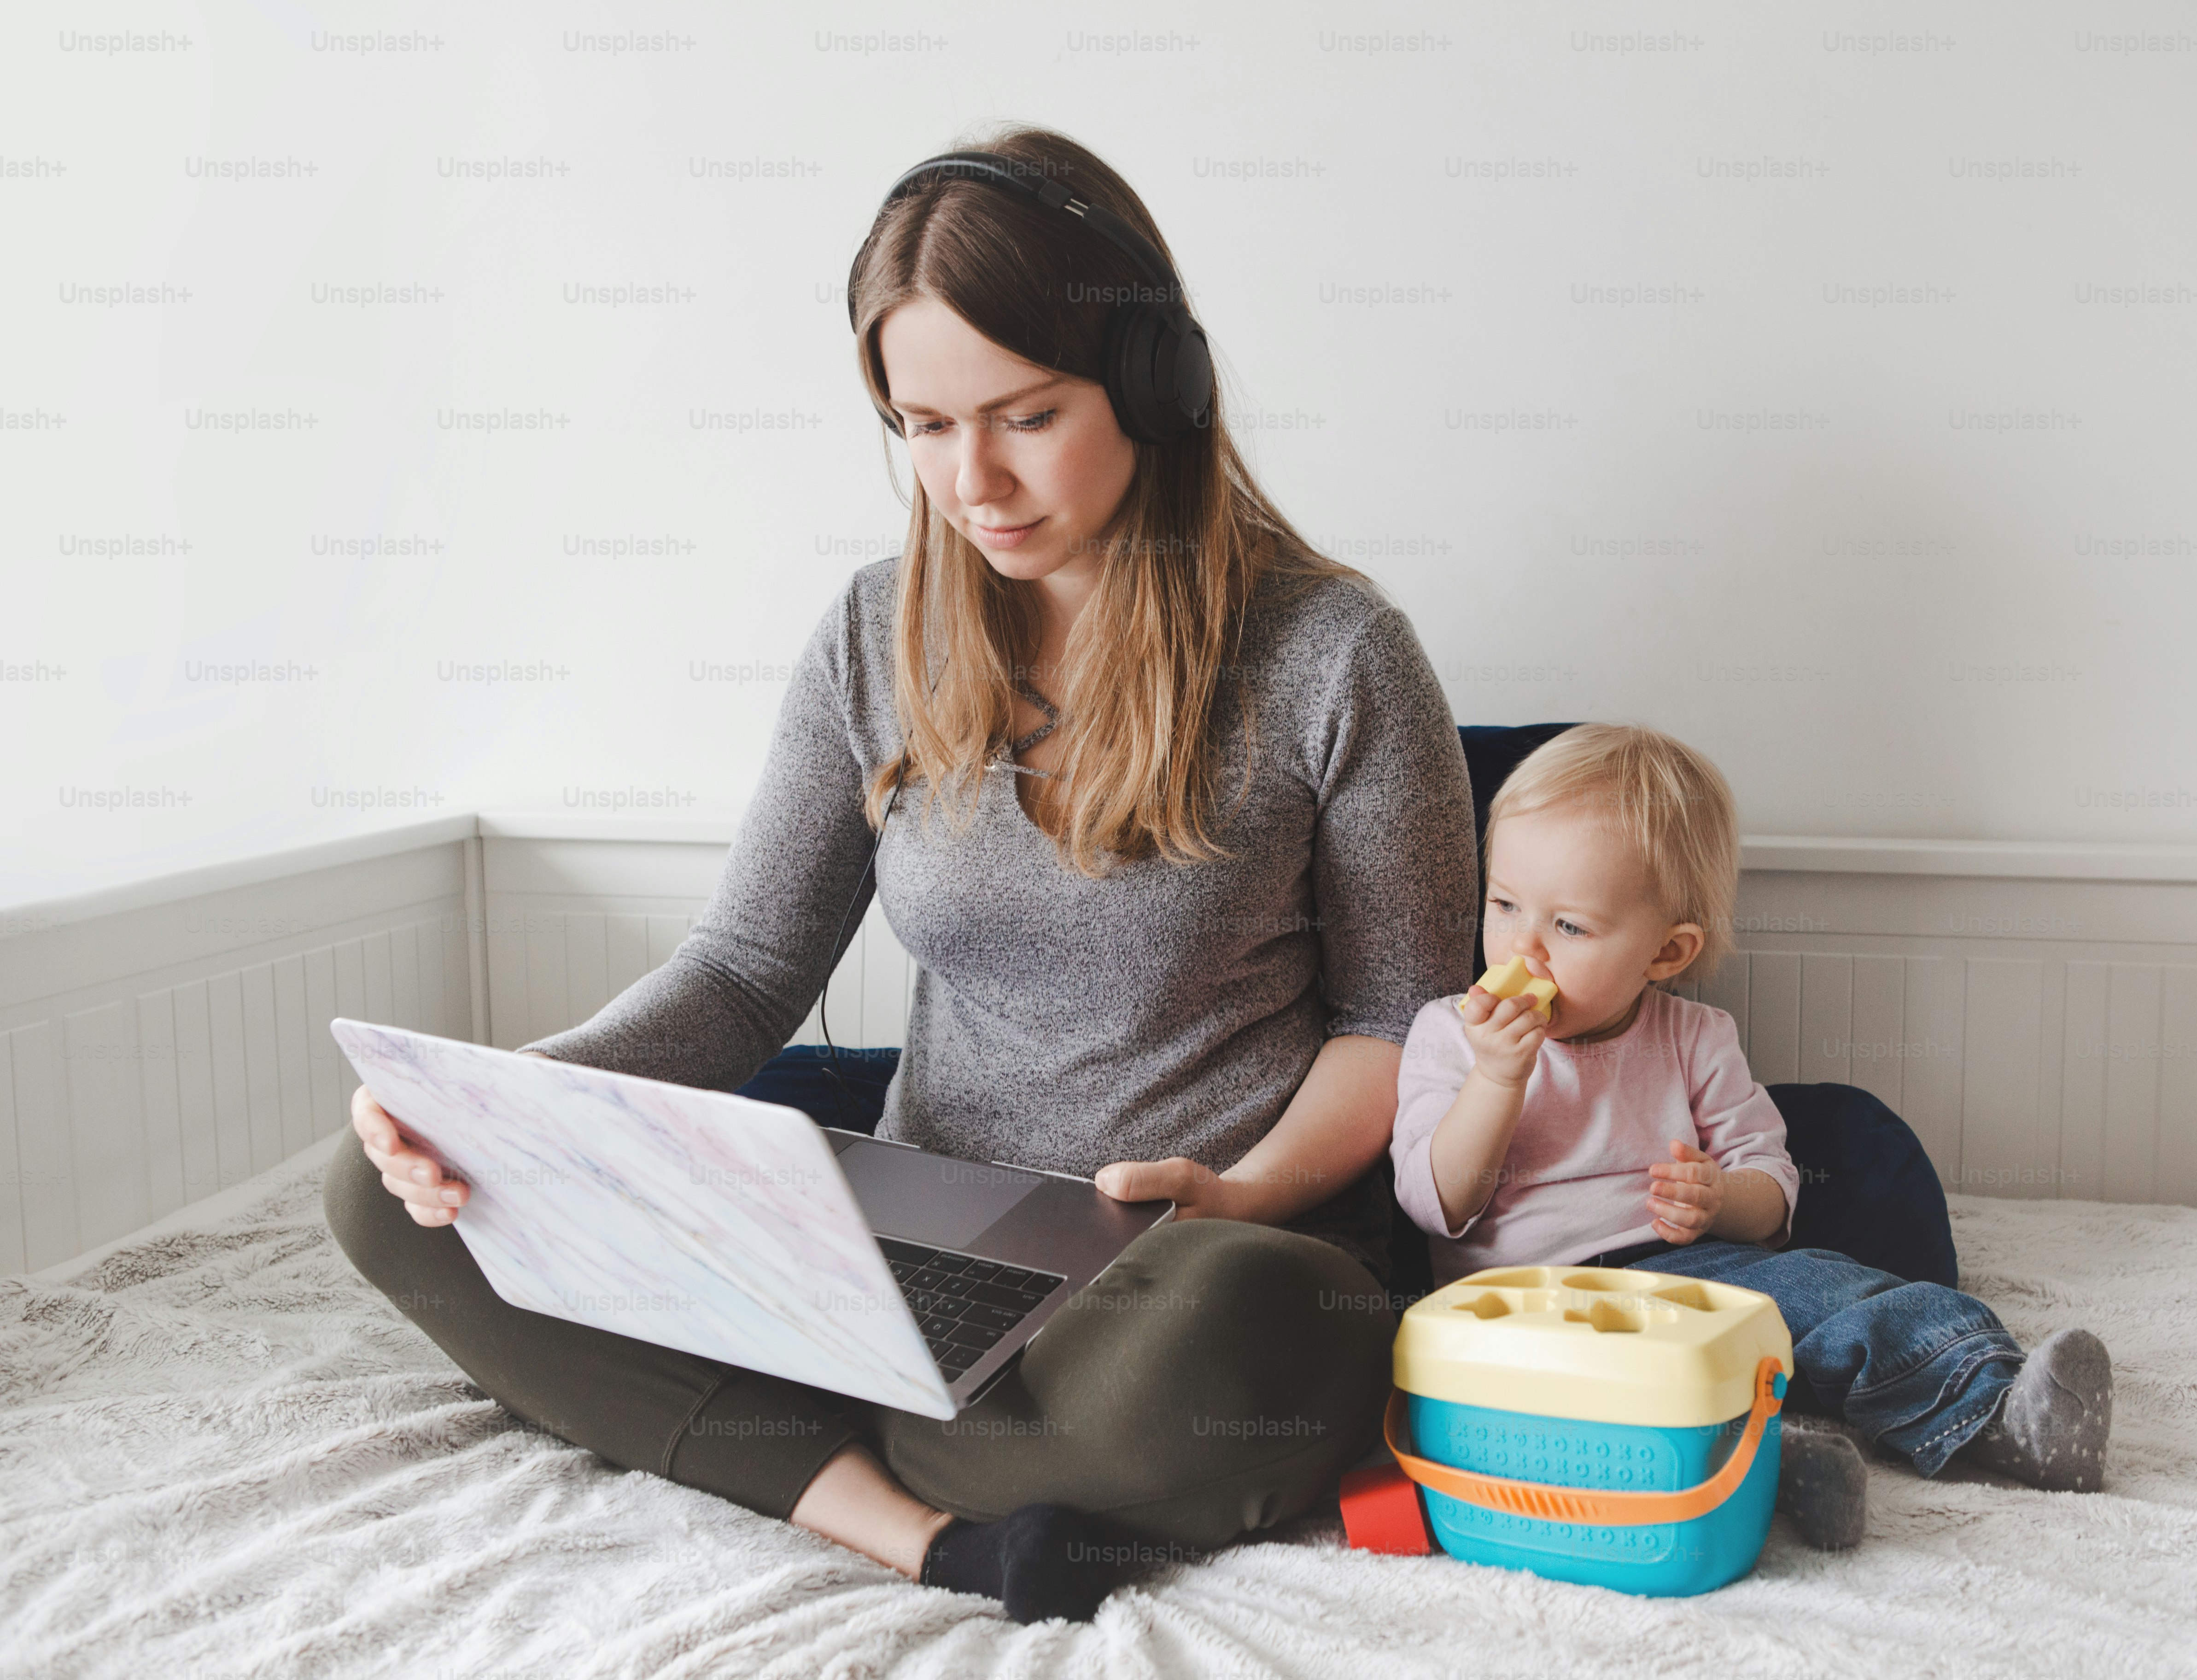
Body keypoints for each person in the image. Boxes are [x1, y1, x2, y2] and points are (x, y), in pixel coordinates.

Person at [329, 124, 1479, 1625]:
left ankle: (779, 1426)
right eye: (922, 425)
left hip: (1185, 1274)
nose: (969, 477)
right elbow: (745, 970)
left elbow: (1406, 1020)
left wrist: (1243, 1190)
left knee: (1253, 1326)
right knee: (383, 1187)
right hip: (911, 1254)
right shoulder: (873, 635)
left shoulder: (1337, 653)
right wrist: (511, 1103)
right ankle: (922, 1524)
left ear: (1156, 387)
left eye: (1024, 414)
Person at [1390, 723, 2113, 1546]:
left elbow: (1772, 1193)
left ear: (1666, 952)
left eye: (1570, 928)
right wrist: (1495, 1081)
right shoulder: (1451, 1034)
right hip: (1520, 1305)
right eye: (1506, 904)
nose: (1521, 947)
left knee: (1827, 1292)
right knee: (1562, 1415)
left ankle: (1996, 1408)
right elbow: (1433, 1203)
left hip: (1687, 1277)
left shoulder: (1695, 1038)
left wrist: (1719, 1200)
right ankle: (1773, 1473)